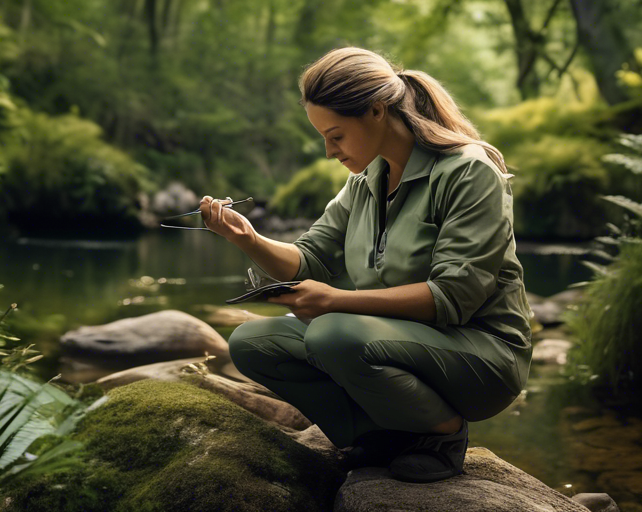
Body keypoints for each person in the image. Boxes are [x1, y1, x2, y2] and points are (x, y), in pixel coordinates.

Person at [198, 47, 532, 483]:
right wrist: (246, 238)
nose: (328, 151)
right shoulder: (365, 181)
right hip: (396, 342)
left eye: (335, 135)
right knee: (252, 342)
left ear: (377, 110)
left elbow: (454, 296)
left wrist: (338, 300)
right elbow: (309, 258)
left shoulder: (468, 172)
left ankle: (442, 434)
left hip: (481, 356)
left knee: (334, 330)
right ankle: (383, 434)